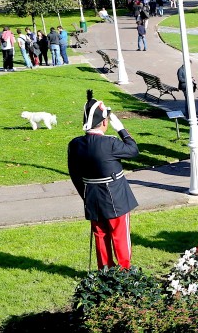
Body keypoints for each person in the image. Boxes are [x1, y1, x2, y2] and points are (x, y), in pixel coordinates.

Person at [67, 90, 140, 269]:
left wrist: (85, 195)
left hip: (91, 195)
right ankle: (124, 271)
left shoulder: (75, 144)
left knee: (100, 235)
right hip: (115, 196)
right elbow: (133, 150)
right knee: (120, 235)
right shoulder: (111, 143)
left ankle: (105, 270)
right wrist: (122, 129)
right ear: (105, 122)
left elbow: (75, 175)